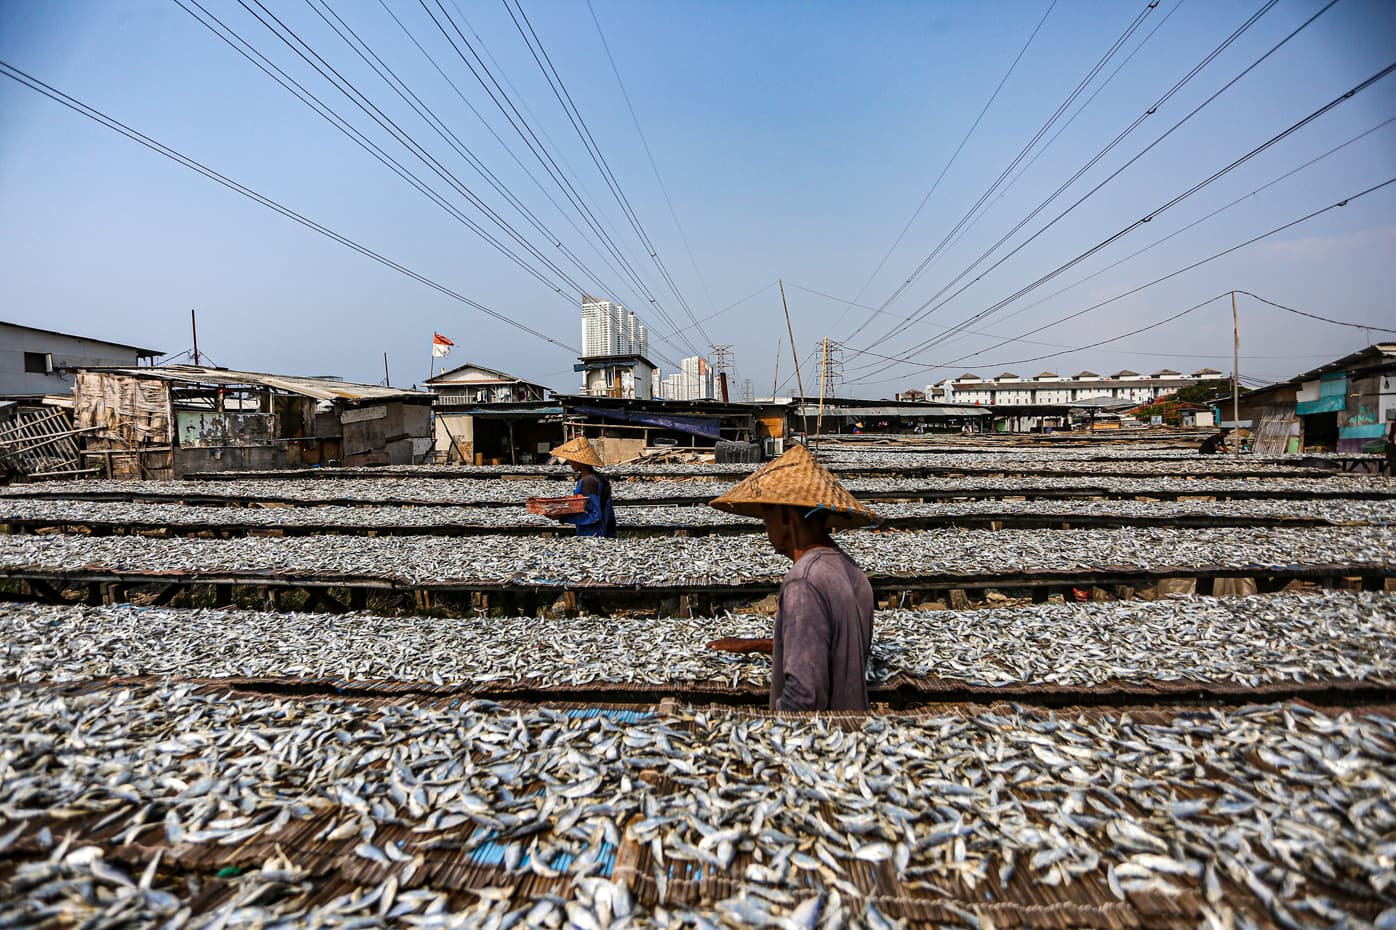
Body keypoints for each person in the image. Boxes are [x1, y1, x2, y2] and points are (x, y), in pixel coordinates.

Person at [706, 444, 878, 711]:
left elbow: (804, 697)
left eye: (767, 518)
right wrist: (753, 645)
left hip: (817, 744)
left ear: (786, 517)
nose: (767, 529)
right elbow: (824, 645)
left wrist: (774, 737)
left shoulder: (804, 582)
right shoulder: (850, 569)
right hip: (851, 732)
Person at [548, 436, 617, 538]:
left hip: (595, 534)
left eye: (572, 459)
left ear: (580, 461)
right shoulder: (593, 478)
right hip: (598, 532)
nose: (569, 462)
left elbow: (595, 515)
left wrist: (563, 517)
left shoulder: (589, 482)